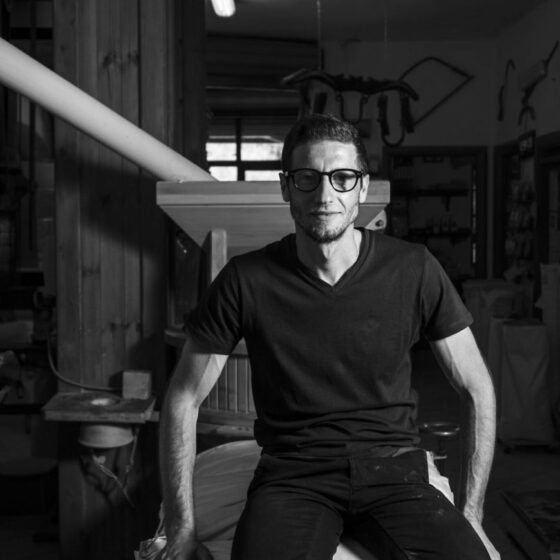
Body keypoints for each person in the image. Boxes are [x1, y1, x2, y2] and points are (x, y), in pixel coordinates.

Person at [159, 113, 500, 560]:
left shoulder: (414, 268)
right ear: (286, 187)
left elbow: (477, 387)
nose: (325, 196)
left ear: (362, 187)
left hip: (392, 470)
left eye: (342, 178)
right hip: (293, 477)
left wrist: (472, 514)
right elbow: (183, 398)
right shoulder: (245, 279)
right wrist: (181, 529)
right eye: (308, 178)